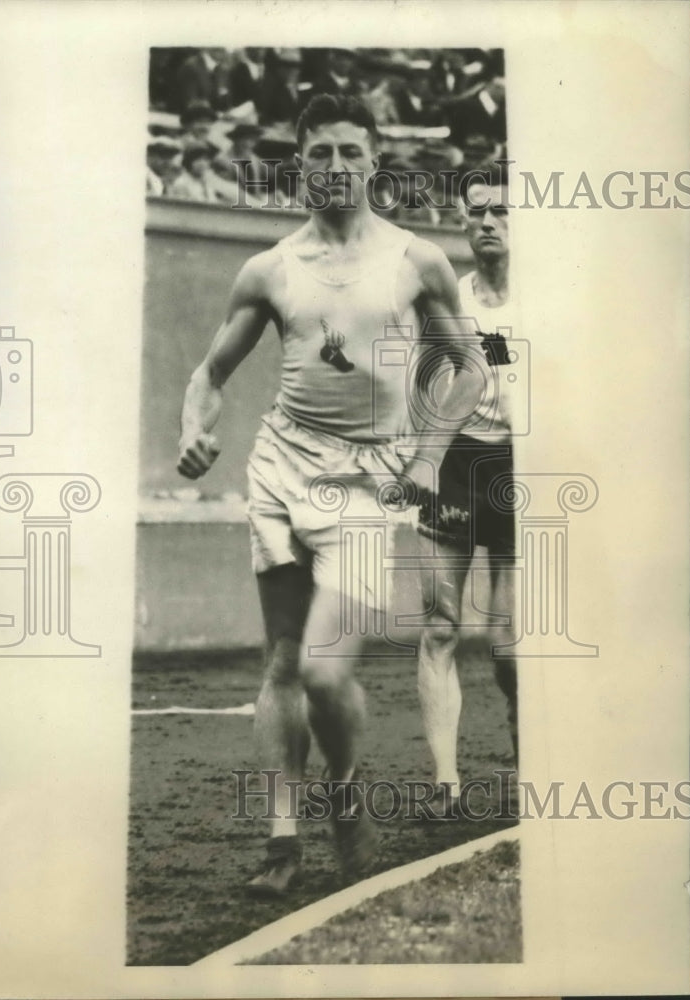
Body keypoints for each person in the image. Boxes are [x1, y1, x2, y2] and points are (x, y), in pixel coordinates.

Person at [177, 94, 488, 896]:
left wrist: (426, 457)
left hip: (366, 477)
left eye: (351, 151)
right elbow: (209, 375)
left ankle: (345, 791)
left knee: (322, 671)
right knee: (282, 659)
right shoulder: (270, 269)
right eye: (321, 153)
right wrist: (194, 429)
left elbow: (469, 370)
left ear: (375, 159)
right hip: (281, 465)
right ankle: (282, 843)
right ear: (300, 161)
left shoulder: (416, 261)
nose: (336, 167)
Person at [415, 176, 518, 810]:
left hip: (520, 467)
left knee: (510, 648)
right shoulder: (447, 298)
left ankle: (529, 751)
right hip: (456, 464)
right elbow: (431, 384)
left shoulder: (553, 295)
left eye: (501, 210)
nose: (487, 222)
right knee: (439, 629)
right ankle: (446, 782)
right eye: (474, 212)